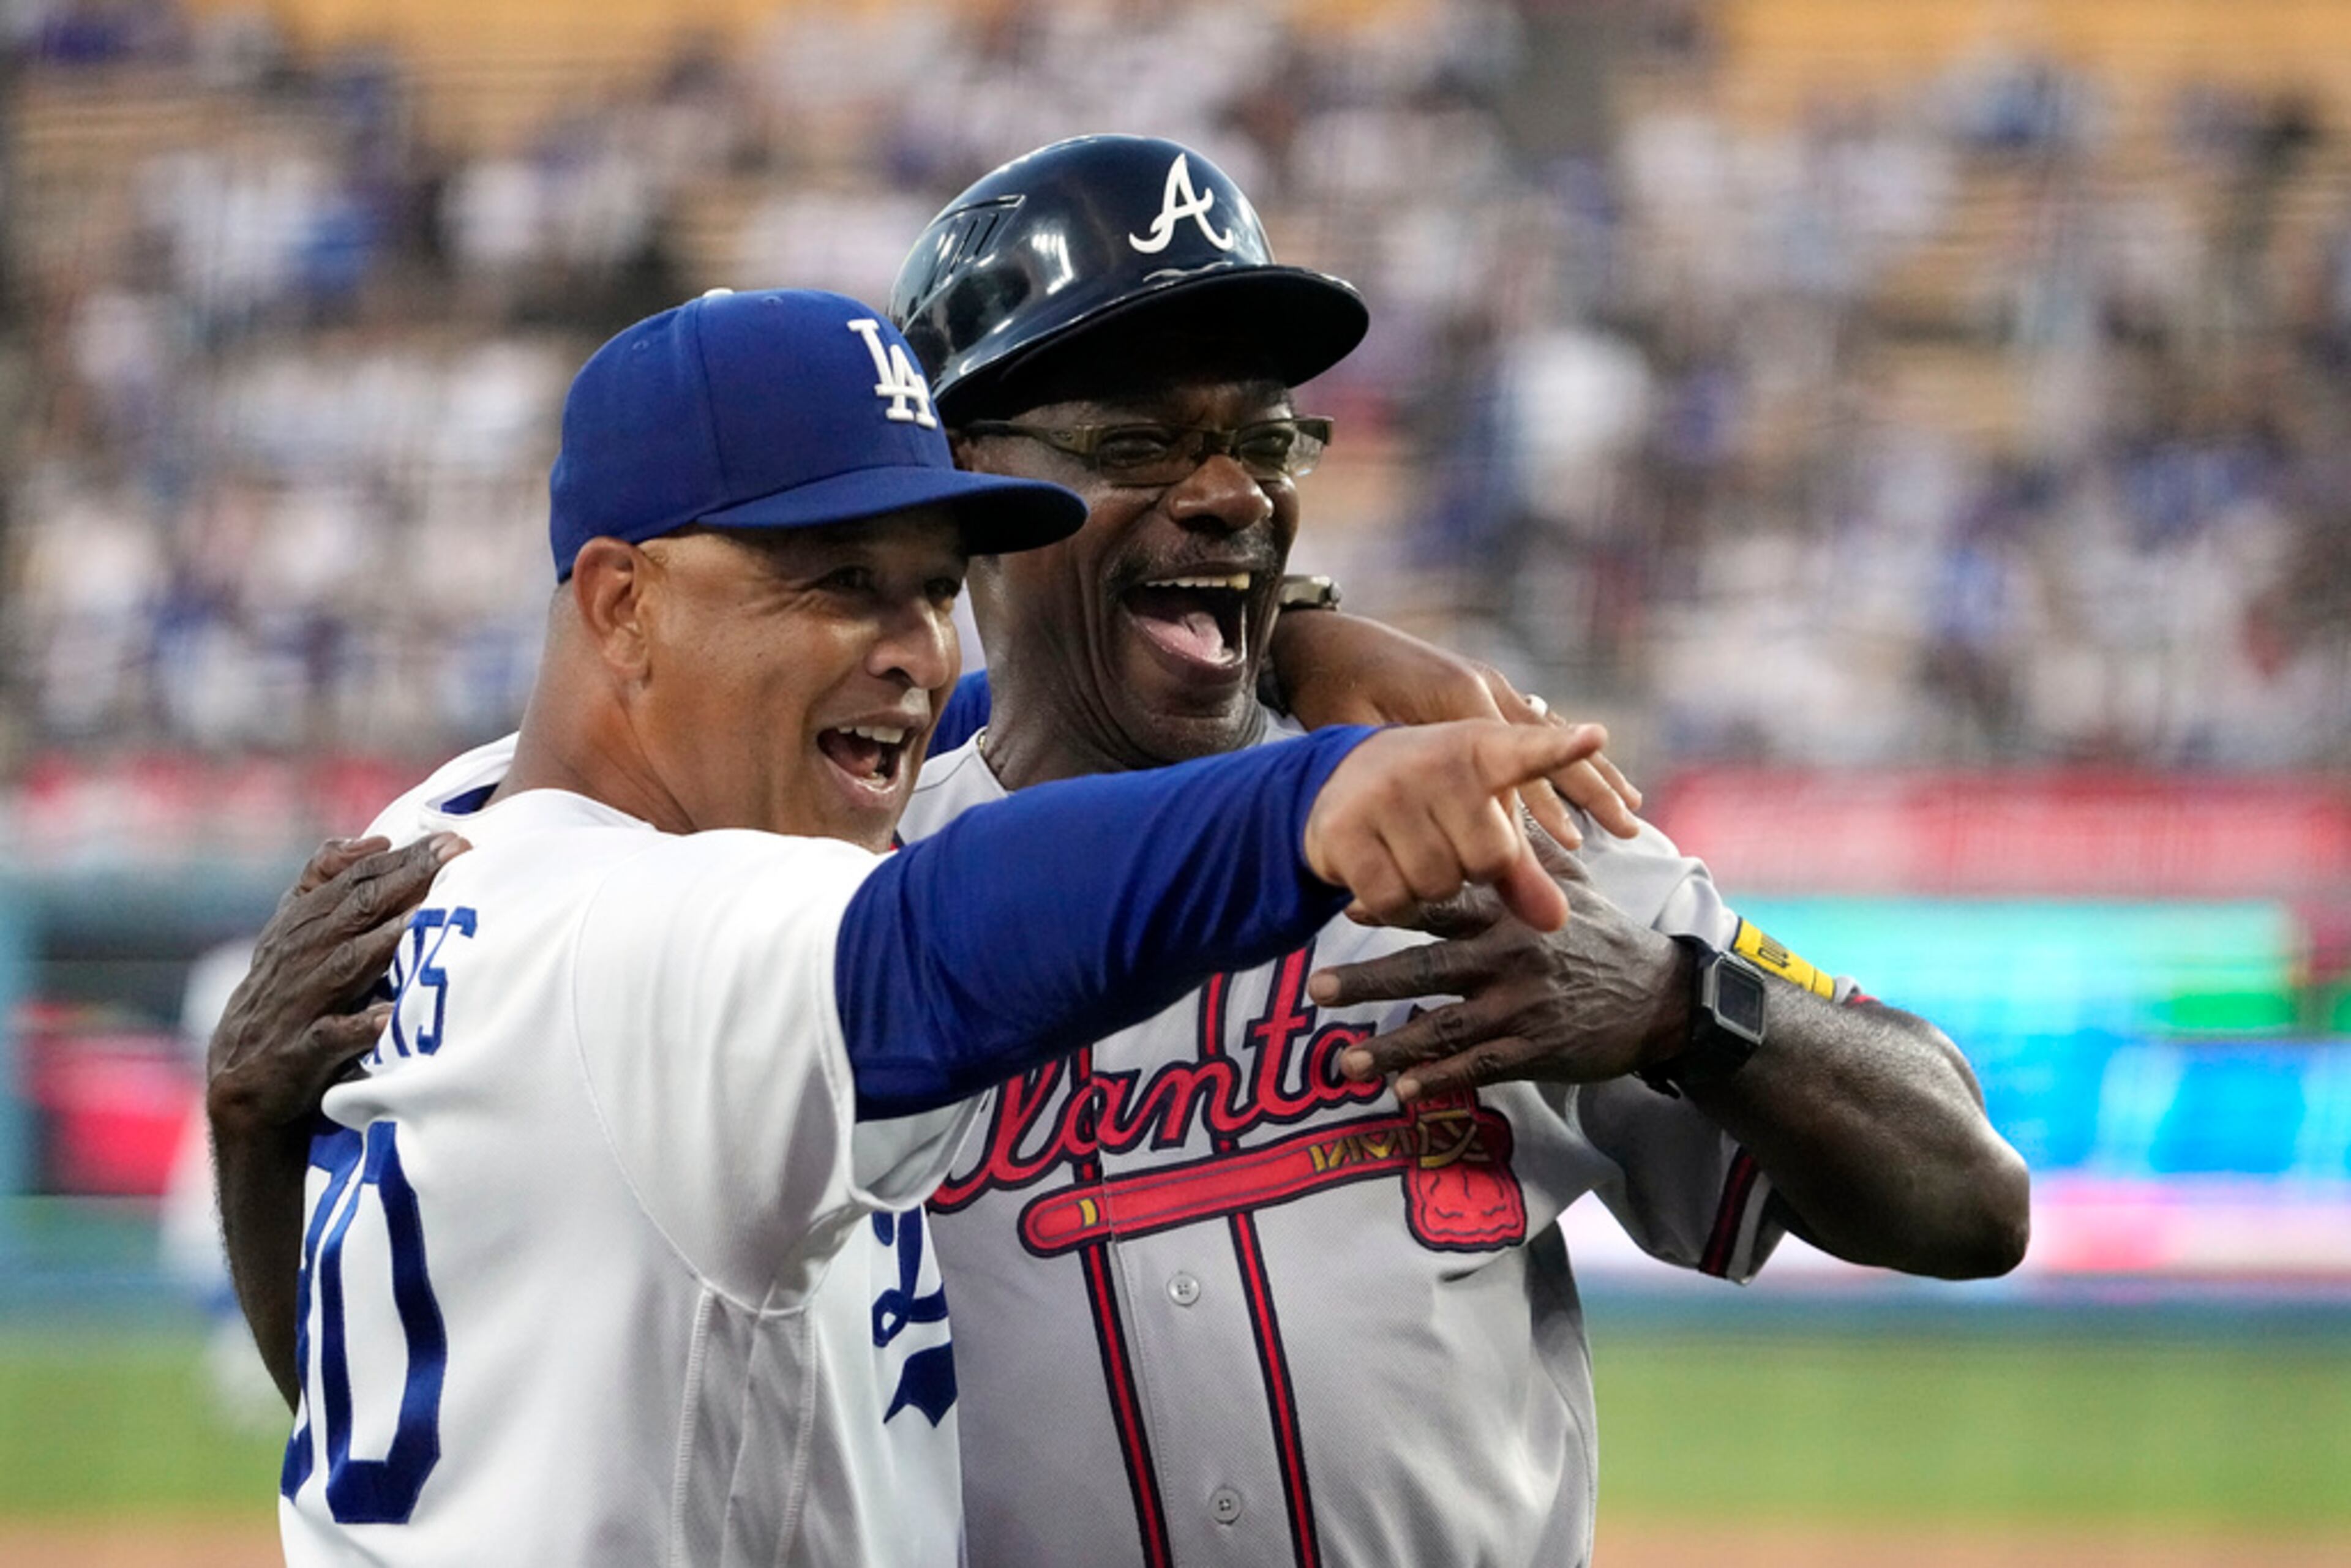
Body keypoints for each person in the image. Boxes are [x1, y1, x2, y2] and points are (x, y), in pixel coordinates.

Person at [216, 141, 2030, 1567]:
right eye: (1139, 442)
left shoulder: (1502, 837)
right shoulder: (817, 867)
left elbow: (1971, 1194)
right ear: (974, 484)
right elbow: (465, 1398)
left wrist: (1685, 1005)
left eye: (1261, 438)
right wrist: (251, 1115)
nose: (1230, 488)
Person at [244, 283, 1621, 1564]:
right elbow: (946, 935)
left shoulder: (438, 842)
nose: (915, 650)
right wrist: (1306, 802)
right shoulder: (654, 944)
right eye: (840, 581)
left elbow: (960, 718)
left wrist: (1285, 644)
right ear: (624, 604)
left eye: (937, 588)